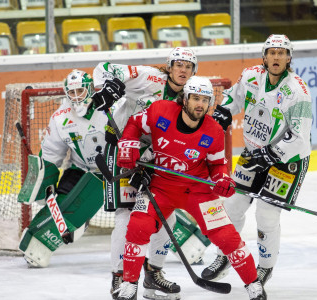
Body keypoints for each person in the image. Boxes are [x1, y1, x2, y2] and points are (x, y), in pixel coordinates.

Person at [114, 76, 267, 300]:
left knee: (227, 237)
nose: (200, 104)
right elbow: (135, 123)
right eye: (195, 98)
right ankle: (129, 284)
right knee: (138, 227)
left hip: (197, 190)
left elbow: (217, 165)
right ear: (184, 98)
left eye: (205, 100)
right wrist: (128, 143)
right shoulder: (160, 111)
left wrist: (223, 180)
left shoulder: (213, 130)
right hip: (160, 186)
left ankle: (253, 284)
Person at [201, 34, 313, 287]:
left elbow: (300, 138)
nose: (276, 57)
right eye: (271, 52)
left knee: (266, 215)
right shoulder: (251, 75)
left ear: (288, 58)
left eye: (281, 53)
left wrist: (270, 155)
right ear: (264, 56)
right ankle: (224, 256)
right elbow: (233, 97)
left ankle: (264, 268)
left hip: (287, 160)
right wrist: (223, 112)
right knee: (232, 206)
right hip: (254, 151)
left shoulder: (298, 91)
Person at [92, 47, 204, 300]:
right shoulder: (149, 77)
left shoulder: (191, 99)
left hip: (154, 161)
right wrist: (107, 88)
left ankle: (153, 276)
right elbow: (103, 68)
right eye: (178, 64)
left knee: (168, 219)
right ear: (169, 66)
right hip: (122, 150)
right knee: (126, 216)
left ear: (194, 71)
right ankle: (120, 276)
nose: (183, 70)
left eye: (188, 66)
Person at [17, 69, 108, 268]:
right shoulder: (61, 118)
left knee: (146, 206)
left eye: (80, 91)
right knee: (62, 205)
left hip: (117, 169)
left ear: (90, 89)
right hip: (82, 169)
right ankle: (35, 243)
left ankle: (186, 242)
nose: (76, 97)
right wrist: (45, 184)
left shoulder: (111, 108)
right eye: (72, 92)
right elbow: (51, 153)